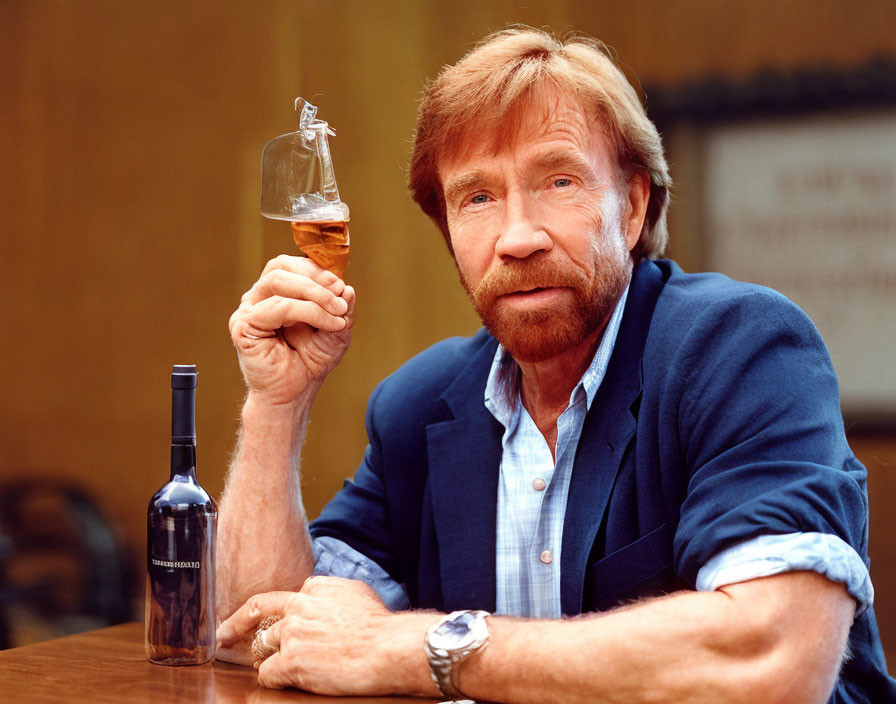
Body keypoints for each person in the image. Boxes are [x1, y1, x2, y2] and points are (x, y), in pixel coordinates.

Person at [214, 27, 896, 703]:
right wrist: (278, 405)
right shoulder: (420, 404)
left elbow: (773, 659)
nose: (516, 237)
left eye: (559, 181)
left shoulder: (738, 349)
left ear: (631, 207)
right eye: (477, 198)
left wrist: (422, 649)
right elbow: (269, 631)